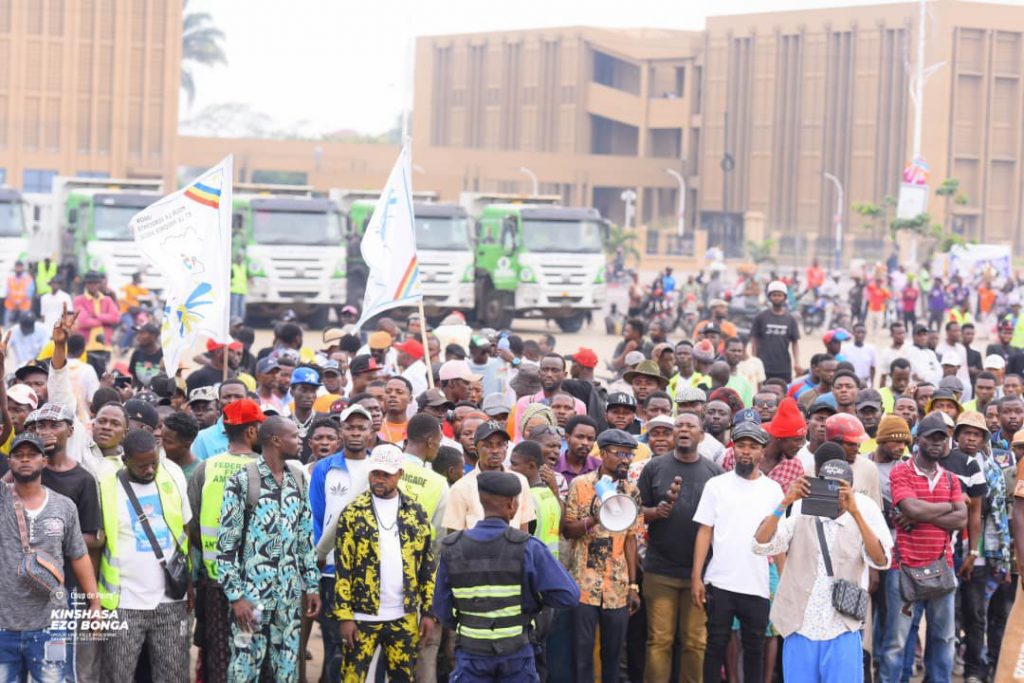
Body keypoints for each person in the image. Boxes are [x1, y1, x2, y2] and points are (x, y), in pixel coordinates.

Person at [753, 449, 892, 681]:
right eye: (826, 485)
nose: (832, 492)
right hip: (800, 627)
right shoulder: (800, 512)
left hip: (842, 627)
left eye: (839, 487)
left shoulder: (862, 512)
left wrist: (855, 512)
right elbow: (760, 544)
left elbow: (881, 560)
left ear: (850, 488)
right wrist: (785, 501)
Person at [433, 470, 580, 681]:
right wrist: (533, 601)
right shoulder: (529, 547)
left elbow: (442, 609)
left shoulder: (453, 547)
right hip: (516, 657)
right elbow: (569, 595)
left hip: (471, 654)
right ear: (512, 504)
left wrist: (472, 622)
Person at [216, 416, 320, 683]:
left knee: (287, 672)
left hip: (288, 599)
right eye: (294, 436)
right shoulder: (243, 481)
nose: (300, 441)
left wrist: (311, 585)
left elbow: (305, 538)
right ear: (276, 440)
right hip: (251, 599)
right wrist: (236, 597)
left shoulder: (298, 479)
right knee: (244, 669)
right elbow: (226, 547)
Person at [0, 432, 99, 682]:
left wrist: (95, 604)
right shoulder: (1, 499)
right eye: (18, 455)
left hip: (50, 623)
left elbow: (79, 556)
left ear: (44, 461)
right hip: (3, 624)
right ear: (9, 463)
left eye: (32, 455)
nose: (25, 460)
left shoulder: (64, 506)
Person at [334, 444, 437, 682]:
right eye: (375, 473)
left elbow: (427, 566)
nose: (379, 479)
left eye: (386, 474)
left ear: (400, 474)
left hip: (403, 616)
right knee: (352, 677)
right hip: (361, 616)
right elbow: (343, 568)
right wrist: (345, 616)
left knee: (403, 678)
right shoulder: (353, 513)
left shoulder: (416, 513)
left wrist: (429, 612)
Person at [692, 420, 784, 683]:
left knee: (755, 649)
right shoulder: (716, 485)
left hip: (757, 585)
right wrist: (696, 577)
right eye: (741, 445)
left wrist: (784, 581)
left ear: (762, 451)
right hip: (720, 582)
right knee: (715, 646)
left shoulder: (773, 490)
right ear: (733, 449)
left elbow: (778, 539)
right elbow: (704, 531)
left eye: (752, 446)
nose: (746, 451)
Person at [97, 429, 192, 683]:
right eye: (141, 466)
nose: (150, 470)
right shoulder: (106, 483)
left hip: (170, 599)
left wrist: (188, 584)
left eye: (154, 463)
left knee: (173, 675)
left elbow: (184, 530)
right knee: (117, 675)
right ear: (125, 459)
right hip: (123, 601)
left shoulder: (172, 474)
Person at [879, 412, 968, 682]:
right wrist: (949, 506)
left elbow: (961, 519)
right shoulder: (901, 471)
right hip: (904, 568)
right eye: (931, 438)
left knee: (944, 639)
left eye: (942, 438)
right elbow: (911, 508)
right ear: (918, 440)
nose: (938, 443)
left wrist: (921, 513)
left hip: (942, 566)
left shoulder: (951, 478)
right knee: (896, 642)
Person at [638, 412, 723, 682]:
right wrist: (655, 512)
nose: (684, 430)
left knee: (695, 642)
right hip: (660, 570)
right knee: (659, 640)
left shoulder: (715, 474)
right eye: (679, 426)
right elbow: (636, 512)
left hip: (700, 574)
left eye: (690, 426)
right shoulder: (654, 467)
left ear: (702, 435)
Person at [186, 398, 264, 683]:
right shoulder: (267, 469)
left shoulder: (205, 468)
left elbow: (192, 524)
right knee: (255, 656)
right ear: (252, 432)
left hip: (215, 579)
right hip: (257, 582)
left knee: (219, 656)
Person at [563, 428, 643, 683]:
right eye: (620, 454)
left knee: (613, 654)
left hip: (617, 586)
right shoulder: (581, 485)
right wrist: (596, 518)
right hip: (584, 584)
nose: (626, 460)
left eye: (630, 455)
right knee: (582, 654)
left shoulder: (632, 491)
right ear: (603, 453)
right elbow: (569, 530)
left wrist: (633, 585)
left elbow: (631, 539)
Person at [307, 404, 373, 683]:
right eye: (350, 427)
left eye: (361, 428)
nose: (355, 433)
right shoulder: (324, 469)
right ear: (341, 432)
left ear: (371, 433)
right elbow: (316, 517)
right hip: (331, 571)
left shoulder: (378, 468)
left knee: (365, 644)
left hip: (369, 572)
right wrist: (316, 561)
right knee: (335, 643)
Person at [443, 420, 536, 532]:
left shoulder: (520, 481)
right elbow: (453, 534)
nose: (495, 450)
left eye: (500, 444)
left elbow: (523, 528)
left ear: (507, 447)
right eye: (487, 445)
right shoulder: (461, 488)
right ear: (476, 449)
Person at [751, 280, 801, 382]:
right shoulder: (760, 317)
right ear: (769, 297)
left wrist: (797, 362)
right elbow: (754, 341)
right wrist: (754, 361)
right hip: (763, 366)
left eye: (779, 295)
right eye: (774, 295)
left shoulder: (791, 319)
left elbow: (795, 343)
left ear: (784, 297)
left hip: (783, 367)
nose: (777, 298)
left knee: (784, 390)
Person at [73, 271, 119, 352]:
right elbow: (83, 322)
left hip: (105, 345)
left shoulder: (107, 300)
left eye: (95, 283)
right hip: (86, 346)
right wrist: (105, 322)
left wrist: (96, 316)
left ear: (99, 284)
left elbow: (115, 318)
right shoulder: (79, 300)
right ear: (86, 284)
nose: (93, 285)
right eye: (90, 283)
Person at [4, 260, 34, 326]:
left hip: (24, 306)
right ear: (15, 267)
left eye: (20, 267)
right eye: (17, 266)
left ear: (23, 268)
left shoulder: (28, 278)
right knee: (7, 325)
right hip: (11, 306)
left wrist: (19, 303)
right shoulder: (10, 278)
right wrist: (15, 302)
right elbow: (7, 292)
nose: (18, 268)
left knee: (25, 325)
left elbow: (30, 294)